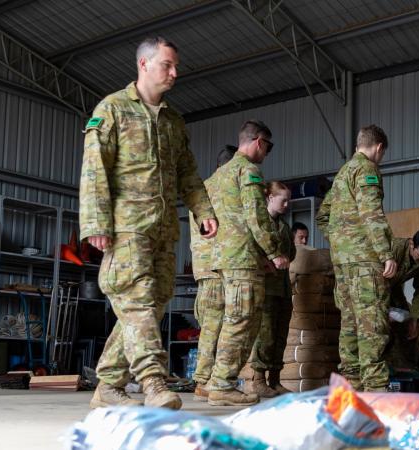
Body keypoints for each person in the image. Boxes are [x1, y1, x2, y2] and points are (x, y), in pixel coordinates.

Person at [80, 36, 217, 409]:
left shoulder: (173, 121)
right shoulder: (113, 109)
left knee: (151, 306)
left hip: (162, 229)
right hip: (126, 228)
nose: (174, 73)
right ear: (143, 64)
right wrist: (96, 223)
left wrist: (203, 210)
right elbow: (95, 170)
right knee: (138, 304)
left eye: (176, 67)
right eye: (167, 65)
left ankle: (108, 385)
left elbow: (188, 172)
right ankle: (153, 382)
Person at [205, 120, 289, 406]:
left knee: (238, 319)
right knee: (241, 321)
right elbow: (256, 216)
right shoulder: (248, 170)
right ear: (258, 142)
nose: (267, 153)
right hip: (242, 258)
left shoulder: (218, 177)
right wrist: (273, 251)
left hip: (227, 257)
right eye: (269, 146)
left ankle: (221, 381)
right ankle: (222, 384)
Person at [316, 124, 396, 392]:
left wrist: (341, 241)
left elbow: (322, 215)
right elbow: (372, 213)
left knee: (349, 323)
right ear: (379, 147)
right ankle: (375, 388)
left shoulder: (342, 174)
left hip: (343, 264)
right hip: (364, 262)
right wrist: (386, 253)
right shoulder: (367, 169)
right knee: (372, 323)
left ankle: (351, 384)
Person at [189, 147, 234, 402]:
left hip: (204, 268)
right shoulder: (221, 189)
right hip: (216, 267)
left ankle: (207, 379)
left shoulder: (203, 189)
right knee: (213, 328)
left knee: (211, 326)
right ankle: (204, 381)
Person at [249, 181, 297, 398]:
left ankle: (275, 380)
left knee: (280, 335)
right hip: (267, 288)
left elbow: (292, 253)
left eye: (288, 200)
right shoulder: (261, 223)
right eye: (283, 200)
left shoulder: (284, 226)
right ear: (270, 198)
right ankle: (258, 379)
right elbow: (252, 250)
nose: (286, 204)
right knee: (265, 334)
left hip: (284, 288)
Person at [385, 229, 419, 372]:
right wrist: (383, 311)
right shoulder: (393, 249)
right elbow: (373, 282)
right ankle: (382, 370)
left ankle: (407, 368)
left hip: (393, 288)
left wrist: (415, 319)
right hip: (373, 288)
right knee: (380, 324)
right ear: (411, 244)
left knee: (406, 321)